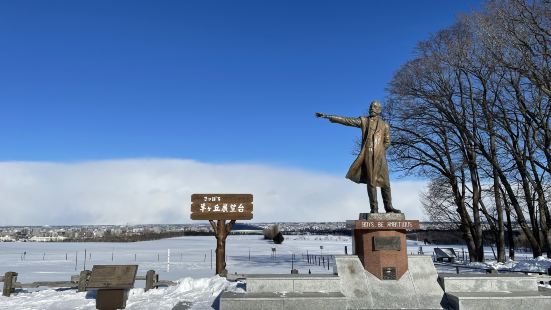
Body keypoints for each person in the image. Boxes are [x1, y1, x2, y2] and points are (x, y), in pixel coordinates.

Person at [316, 100, 400, 213]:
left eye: (374, 107)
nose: (371, 108)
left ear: (379, 110)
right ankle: (374, 209)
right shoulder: (364, 121)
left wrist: (380, 150)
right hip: (368, 154)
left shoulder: (385, 125)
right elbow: (347, 121)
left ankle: (389, 207)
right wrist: (328, 116)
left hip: (380, 156)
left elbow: (388, 141)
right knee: (371, 182)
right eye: (371, 106)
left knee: (386, 183)